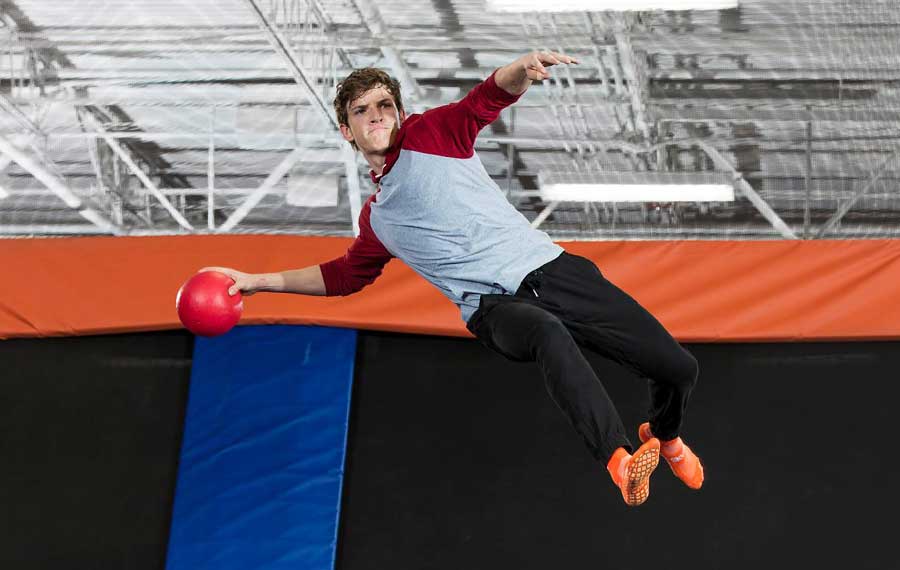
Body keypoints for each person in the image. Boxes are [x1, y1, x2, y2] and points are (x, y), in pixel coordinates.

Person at [201, 51, 703, 506]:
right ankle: (619, 462)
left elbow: (485, 99)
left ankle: (666, 435)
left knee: (678, 369)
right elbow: (342, 276)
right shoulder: (377, 220)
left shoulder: (432, 134)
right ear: (346, 131)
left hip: (552, 271)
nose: (375, 115)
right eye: (361, 110)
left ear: (398, 115)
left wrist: (520, 69)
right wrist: (257, 281)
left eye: (383, 106)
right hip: (493, 308)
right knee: (546, 334)